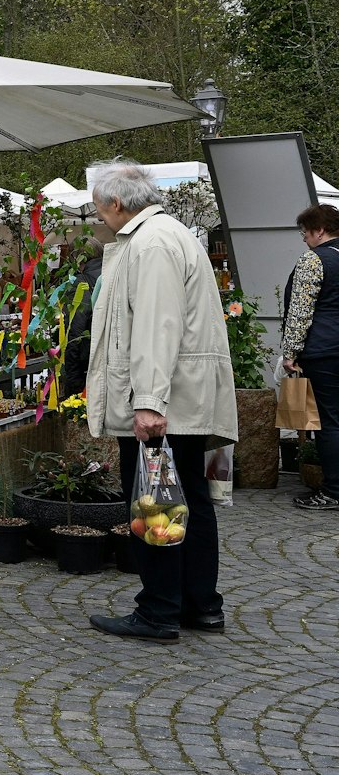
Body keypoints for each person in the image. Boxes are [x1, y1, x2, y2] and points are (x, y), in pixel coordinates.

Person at [83, 160, 235, 642]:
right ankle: (199, 604)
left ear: (115, 203)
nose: (97, 215)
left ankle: (159, 609)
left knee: (155, 500)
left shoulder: (149, 243)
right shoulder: (168, 234)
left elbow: (155, 325)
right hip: (182, 395)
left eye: (97, 206)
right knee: (187, 497)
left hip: (165, 400)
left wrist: (148, 401)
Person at [278, 203, 339, 511]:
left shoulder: (314, 259)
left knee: (330, 422)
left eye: (305, 232)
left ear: (319, 230)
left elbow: (301, 312)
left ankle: (332, 491)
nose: (304, 239)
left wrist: (290, 353)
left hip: (325, 350)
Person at [58, 240, 104, 401]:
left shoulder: (79, 282)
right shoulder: (113, 273)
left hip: (88, 364)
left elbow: (75, 330)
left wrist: (73, 380)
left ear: (78, 259)